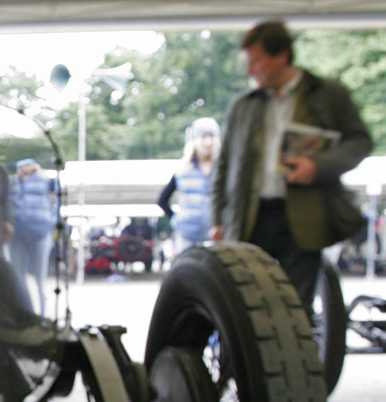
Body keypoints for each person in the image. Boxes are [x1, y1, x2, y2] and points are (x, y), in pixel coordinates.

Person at [211, 19, 372, 315]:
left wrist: (318, 165)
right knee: (243, 308)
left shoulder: (327, 95)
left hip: (303, 219)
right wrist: (218, 218)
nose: (249, 70)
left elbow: (360, 142)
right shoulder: (244, 105)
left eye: (256, 62)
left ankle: (294, 361)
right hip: (249, 218)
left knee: (296, 311)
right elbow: (224, 167)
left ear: (281, 56)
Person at [158, 117, 220, 257]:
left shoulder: (222, 170)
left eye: (212, 137)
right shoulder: (183, 170)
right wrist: (176, 219)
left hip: (214, 234)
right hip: (187, 234)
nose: (208, 142)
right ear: (196, 140)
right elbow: (162, 200)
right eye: (204, 137)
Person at [6, 158, 59, 314]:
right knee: (17, 276)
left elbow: (58, 199)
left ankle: (42, 314)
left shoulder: (45, 181)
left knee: (39, 278)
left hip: (41, 232)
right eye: (21, 165)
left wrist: (51, 221)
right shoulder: (13, 183)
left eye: (27, 165)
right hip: (18, 233)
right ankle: (24, 311)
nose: (25, 168)